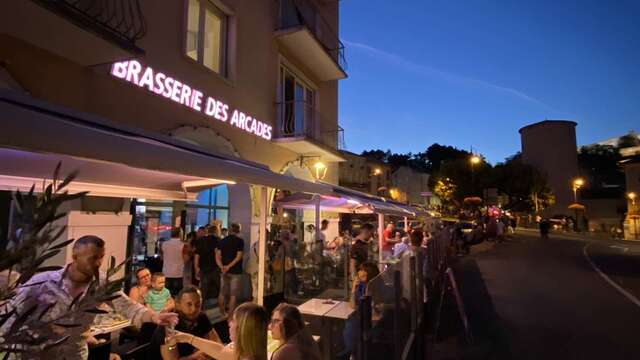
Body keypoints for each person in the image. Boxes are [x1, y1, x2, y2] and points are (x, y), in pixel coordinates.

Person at [2, 235, 177, 359]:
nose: (98, 263)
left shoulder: (101, 283)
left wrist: (155, 316)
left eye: (101, 257)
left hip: (75, 354)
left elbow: (128, 306)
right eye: (93, 258)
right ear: (75, 256)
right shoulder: (42, 283)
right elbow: (10, 317)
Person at [173, 302, 268, 360]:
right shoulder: (247, 348)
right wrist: (188, 338)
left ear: (243, 329)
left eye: (234, 320)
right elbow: (220, 349)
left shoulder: (245, 357)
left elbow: (220, 351)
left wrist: (189, 339)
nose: (229, 323)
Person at [160, 285, 222, 360]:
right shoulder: (168, 325)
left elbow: (218, 345)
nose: (194, 309)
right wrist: (193, 356)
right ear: (178, 305)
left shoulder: (202, 317)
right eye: (189, 304)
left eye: (198, 304)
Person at [216, 223, 245, 317]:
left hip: (224, 271)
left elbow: (217, 256)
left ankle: (221, 313)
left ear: (229, 230)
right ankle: (230, 316)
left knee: (222, 293)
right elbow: (239, 256)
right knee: (233, 295)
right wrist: (229, 266)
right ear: (238, 230)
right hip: (236, 271)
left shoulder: (222, 241)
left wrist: (222, 267)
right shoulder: (240, 241)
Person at [194, 225, 220, 307]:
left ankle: (200, 307)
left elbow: (197, 255)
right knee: (219, 288)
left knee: (203, 290)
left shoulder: (201, 240)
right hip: (216, 268)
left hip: (204, 268)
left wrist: (196, 268)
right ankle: (219, 306)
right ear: (216, 231)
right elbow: (219, 255)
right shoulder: (218, 240)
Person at [161, 227, 187, 296]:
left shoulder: (164, 244)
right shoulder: (183, 245)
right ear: (180, 234)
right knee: (178, 294)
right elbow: (186, 259)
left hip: (166, 272)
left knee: (166, 294)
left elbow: (162, 257)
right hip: (178, 273)